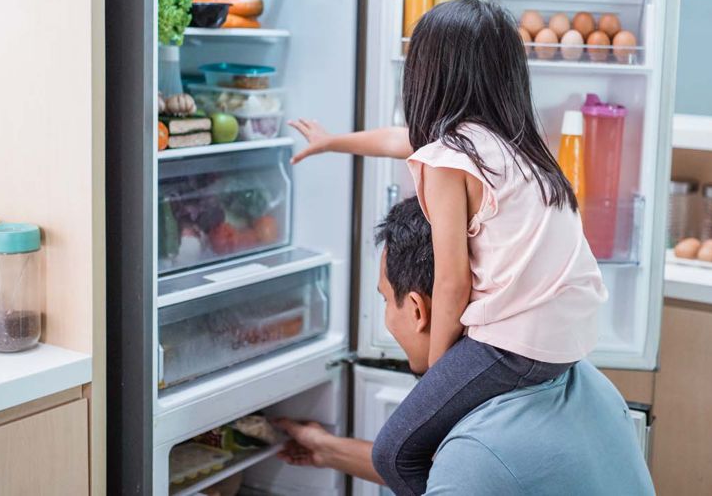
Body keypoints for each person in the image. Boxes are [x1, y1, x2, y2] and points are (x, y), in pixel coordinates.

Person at [288, 0, 608, 494]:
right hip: (567, 341)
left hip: (514, 343)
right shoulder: (515, 145)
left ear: (426, 75)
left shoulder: (448, 160)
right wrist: (334, 142)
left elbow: (452, 279)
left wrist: (436, 371)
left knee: (396, 452)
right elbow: (402, 139)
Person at [276, 197, 654, 495]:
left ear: (417, 310)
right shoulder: (580, 379)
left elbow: (469, 468)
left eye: (385, 300)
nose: (386, 318)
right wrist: (326, 448)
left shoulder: (475, 457)